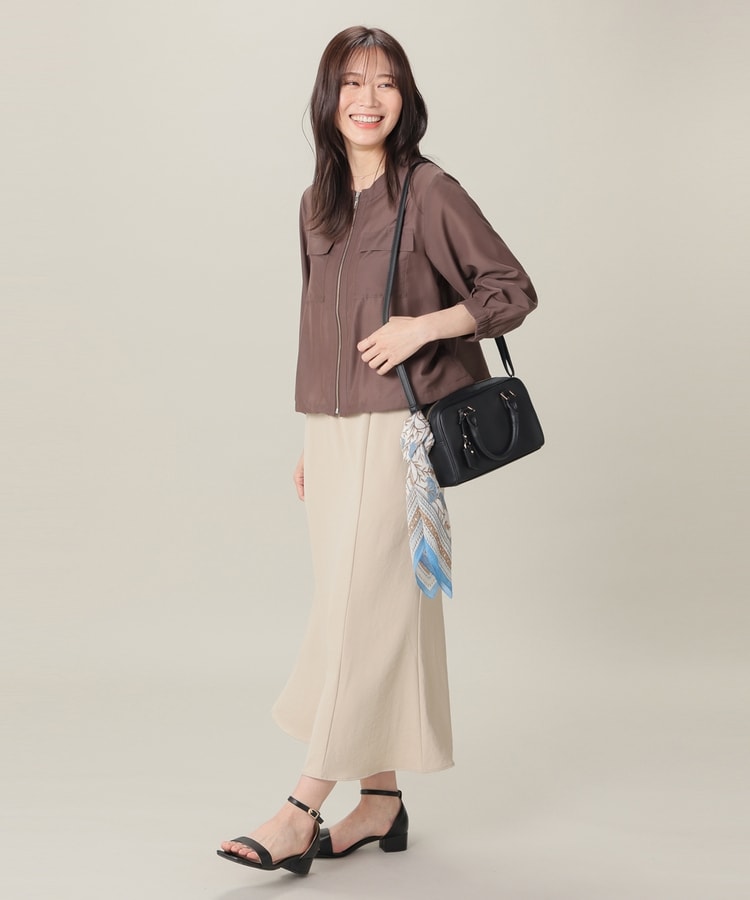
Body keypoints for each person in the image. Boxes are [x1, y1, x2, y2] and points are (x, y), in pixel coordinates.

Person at [217, 25, 537, 876]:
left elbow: (511, 290)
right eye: (353, 83)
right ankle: (381, 802)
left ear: (406, 98)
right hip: (330, 435)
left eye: (386, 82)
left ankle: (301, 808)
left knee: (362, 614)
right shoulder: (316, 204)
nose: (368, 99)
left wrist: (422, 327)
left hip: (398, 434)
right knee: (362, 608)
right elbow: (319, 323)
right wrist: (312, 434)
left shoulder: (429, 191)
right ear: (329, 99)